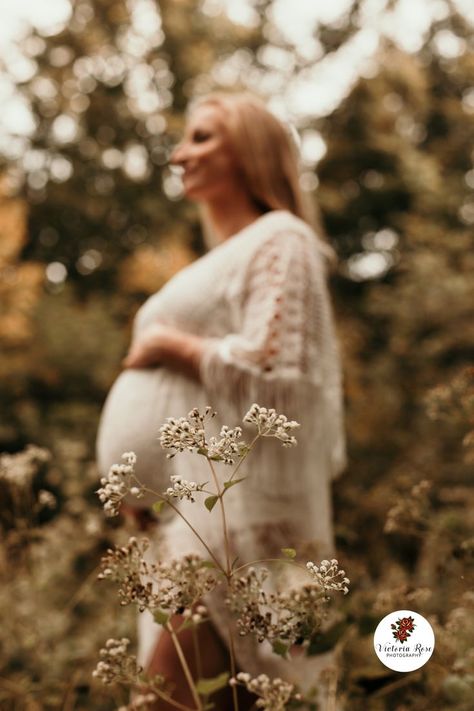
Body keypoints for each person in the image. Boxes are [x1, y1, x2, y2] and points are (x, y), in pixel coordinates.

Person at [96, 90, 347, 710]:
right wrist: (144, 490)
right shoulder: (218, 259)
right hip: (187, 520)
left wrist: (169, 345)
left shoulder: (281, 239)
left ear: (253, 154)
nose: (180, 154)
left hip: (234, 530)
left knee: (160, 703)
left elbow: (281, 370)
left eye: (203, 137)